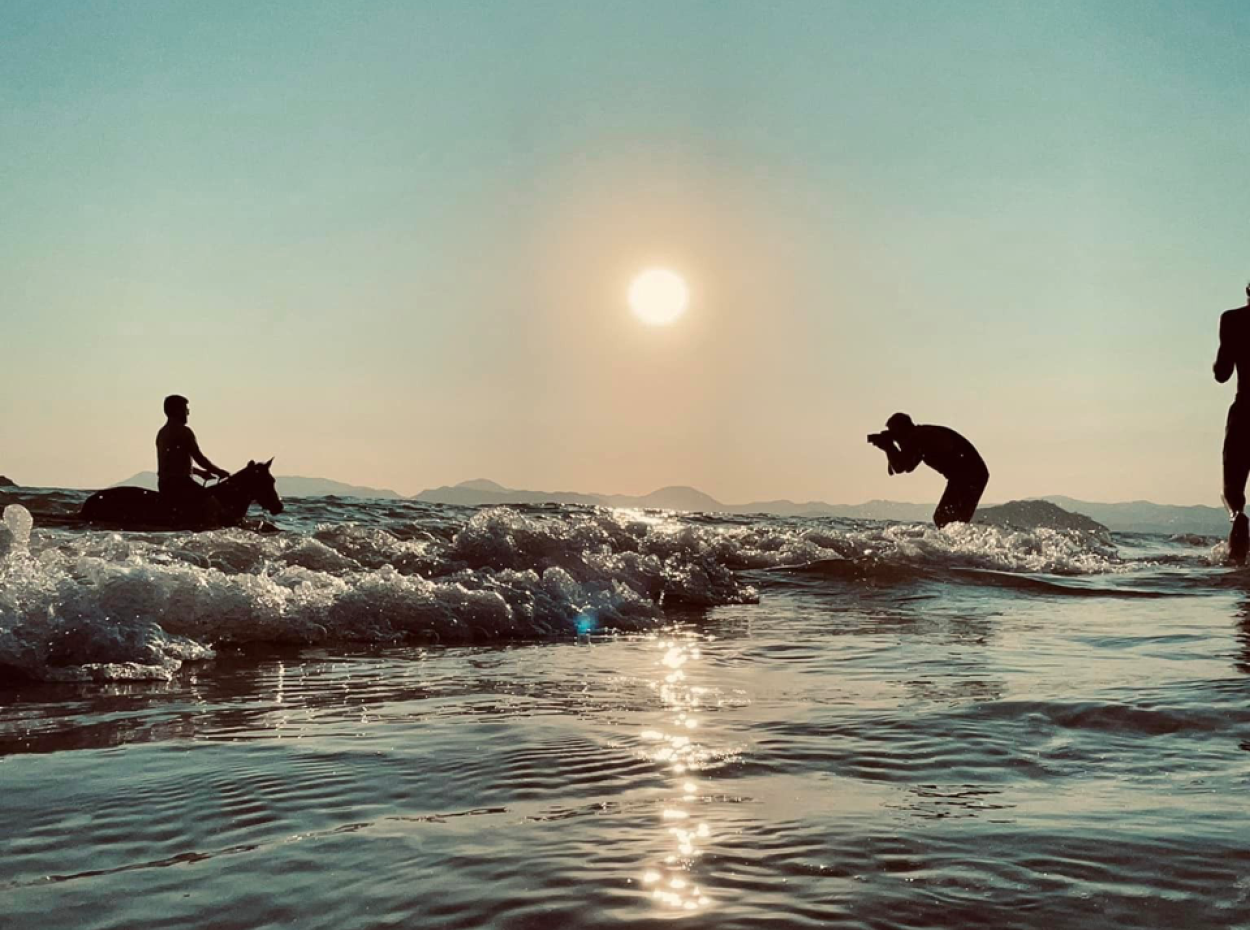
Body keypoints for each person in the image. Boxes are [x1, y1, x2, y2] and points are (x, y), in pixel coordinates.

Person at [868, 412, 989, 528]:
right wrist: (890, 446)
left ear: (902, 430)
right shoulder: (920, 435)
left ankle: (959, 547)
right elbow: (908, 466)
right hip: (971, 475)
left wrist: (888, 446)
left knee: (943, 518)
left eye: (894, 434)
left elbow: (900, 466)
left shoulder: (919, 436)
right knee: (952, 520)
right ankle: (965, 546)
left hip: (969, 475)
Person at [1213, 282, 1250, 563]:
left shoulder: (1233, 320)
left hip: (1245, 409)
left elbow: (1222, 373)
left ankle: (1237, 518)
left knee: (1232, 491)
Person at [157, 395, 230, 523]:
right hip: (182, 484)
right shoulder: (184, 432)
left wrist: (200, 473)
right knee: (213, 504)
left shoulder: (162, 433)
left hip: (164, 485)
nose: (187, 414)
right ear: (177, 411)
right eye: (186, 410)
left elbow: (172, 464)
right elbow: (199, 458)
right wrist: (219, 472)